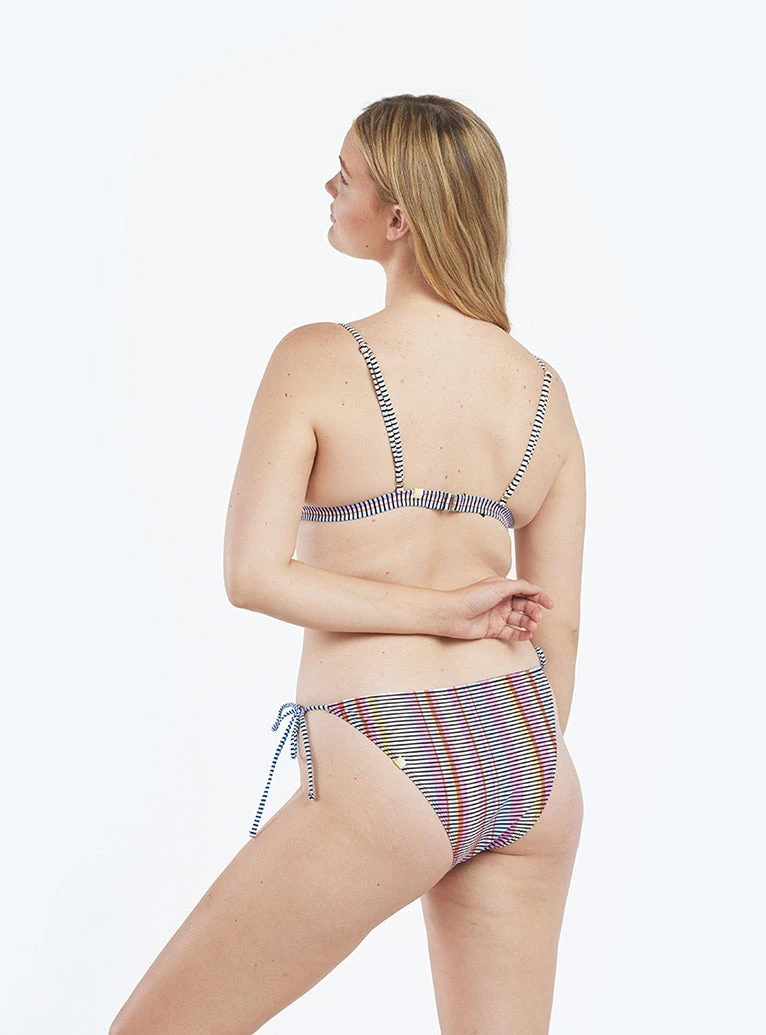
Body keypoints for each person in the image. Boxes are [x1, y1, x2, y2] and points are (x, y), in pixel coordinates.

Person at [110, 92, 586, 1035]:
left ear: (398, 217)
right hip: (531, 757)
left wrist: (435, 618)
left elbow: (253, 574)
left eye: (346, 175)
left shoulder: (318, 357)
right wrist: (512, 763)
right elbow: (559, 621)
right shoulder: (542, 390)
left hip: (387, 745)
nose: (329, 188)